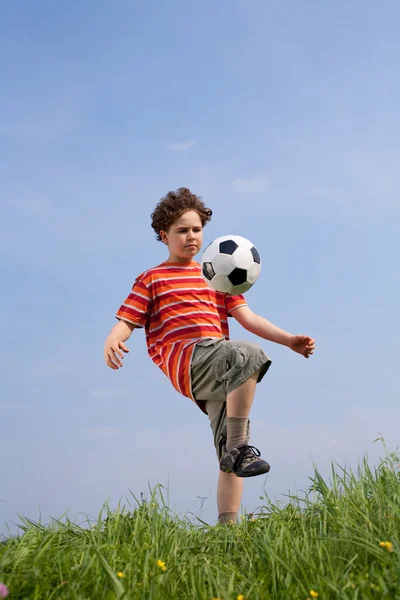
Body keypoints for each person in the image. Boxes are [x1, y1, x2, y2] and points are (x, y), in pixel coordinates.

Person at [104, 187, 315, 525]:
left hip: (219, 366)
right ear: (164, 236)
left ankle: (228, 530)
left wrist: (289, 340)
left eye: (197, 229)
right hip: (187, 361)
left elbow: (249, 318)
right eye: (182, 230)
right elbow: (127, 320)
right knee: (247, 354)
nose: (191, 237)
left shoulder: (216, 275)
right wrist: (112, 341)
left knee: (229, 455)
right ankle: (240, 445)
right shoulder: (152, 278)